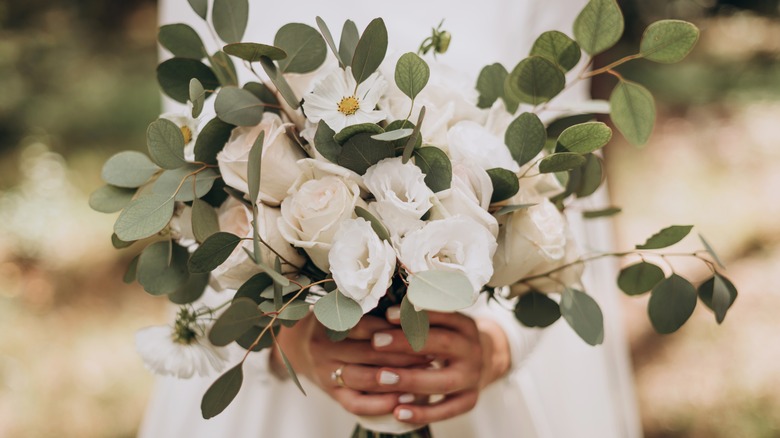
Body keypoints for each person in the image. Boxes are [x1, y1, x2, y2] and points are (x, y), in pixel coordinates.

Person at [140, 1, 642, 436]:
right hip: (282, 388)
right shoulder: (207, 16)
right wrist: (286, 340)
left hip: (470, 380)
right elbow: (196, 194)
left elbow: (550, 193)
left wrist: (499, 346)